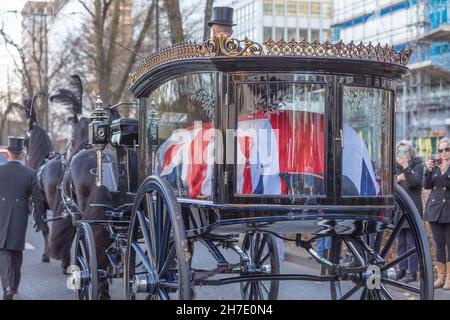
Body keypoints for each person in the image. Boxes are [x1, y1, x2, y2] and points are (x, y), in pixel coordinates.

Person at [0, 137, 46, 300]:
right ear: (22, 155)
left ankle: (7, 288)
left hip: (2, 213)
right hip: (20, 215)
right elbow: (38, 198)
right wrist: (39, 220)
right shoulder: (30, 173)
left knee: (4, 251)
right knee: (16, 251)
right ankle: (14, 286)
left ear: (9, 154)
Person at [395, 140, 424, 283]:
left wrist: (406, 167)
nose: (400, 155)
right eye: (398, 152)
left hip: (412, 209)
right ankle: (401, 269)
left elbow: (415, 182)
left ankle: (412, 272)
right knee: (400, 242)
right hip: (399, 210)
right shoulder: (396, 168)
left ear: (410, 152)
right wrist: (397, 178)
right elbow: (388, 185)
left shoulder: (418, 165)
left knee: (411, 243)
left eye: (403, 151)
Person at [423, 137, 450, 290]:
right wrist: (428, 170)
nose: (444, 153)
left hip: (448, 211)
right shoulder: (435, 166)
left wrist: (445, 172)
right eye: (441, 150)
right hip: (435, 211)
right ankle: (440, 276)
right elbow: (426, 185)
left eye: (447, 149)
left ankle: (449, 278)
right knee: (439, 245)